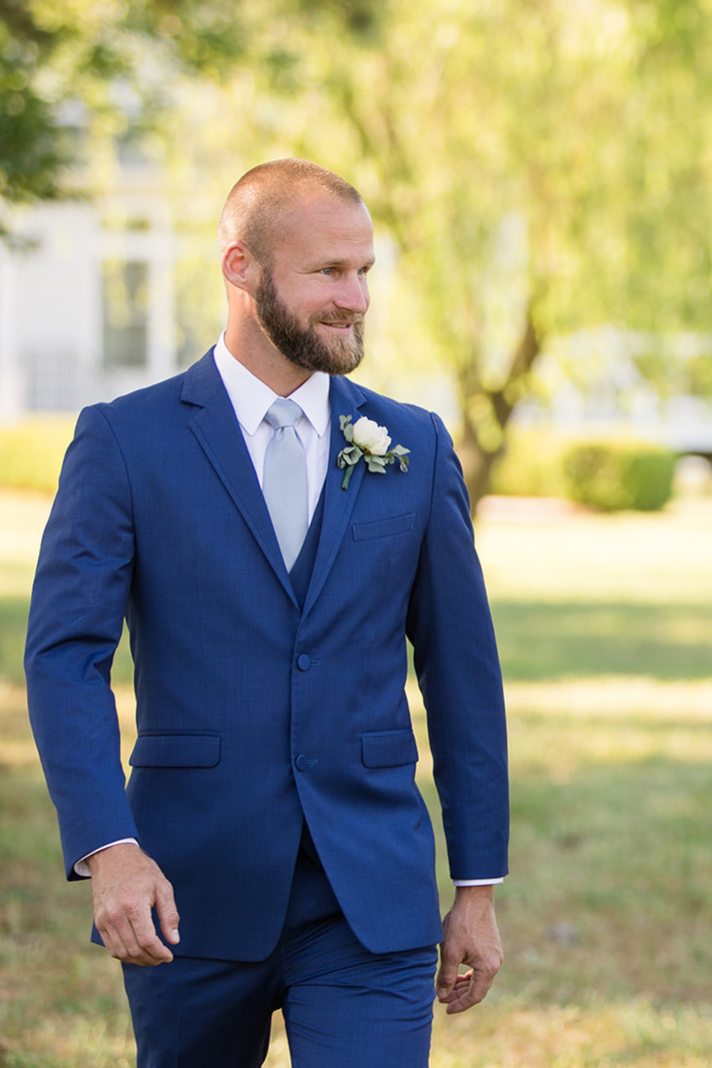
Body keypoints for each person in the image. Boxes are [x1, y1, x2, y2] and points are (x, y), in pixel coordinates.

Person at [25, 159, 510, 1066]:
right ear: (239, 267)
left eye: (364, 270)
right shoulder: (124, 442)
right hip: (185, 891)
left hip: (369, 897)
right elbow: (65, 659)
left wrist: (477, 884)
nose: (356, 298)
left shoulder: (414, 444)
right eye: (328, 272)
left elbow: (462, 671)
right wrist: (109, 850)